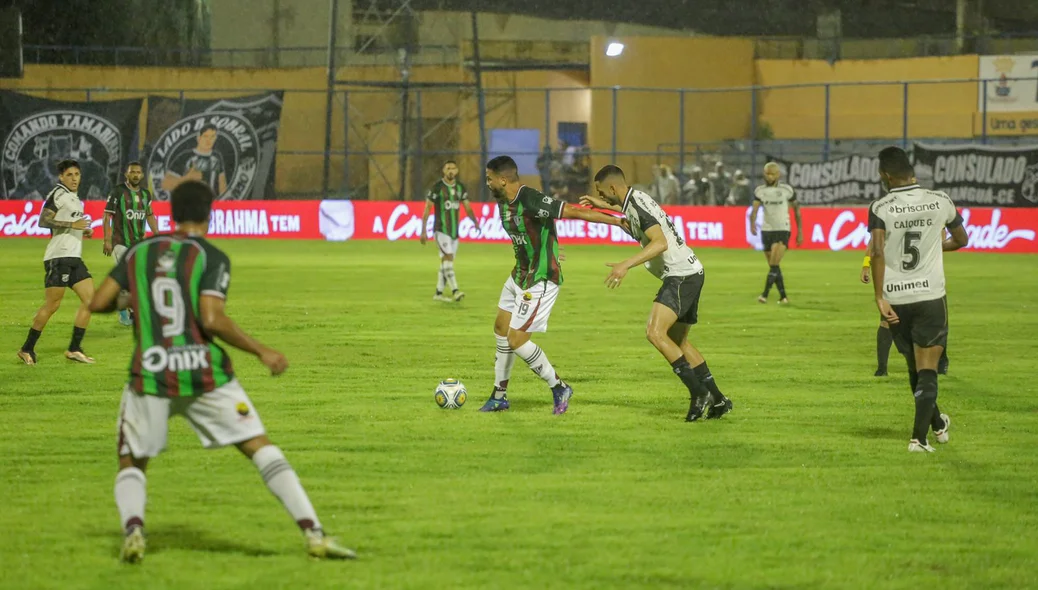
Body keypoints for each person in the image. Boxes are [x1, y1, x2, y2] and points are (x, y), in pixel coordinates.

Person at [87, 180, 356, 562]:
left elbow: (98, 303)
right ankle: (314, 533)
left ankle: (133, 529)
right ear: (208, 213)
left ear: (172, 212)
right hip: (205, 373)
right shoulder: (210, 256)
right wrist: (262, 351)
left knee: (132, 458)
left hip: (152, 373)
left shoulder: (139, 251)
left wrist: (133, 298)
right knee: (257, 446)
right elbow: (211, 319)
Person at [480, 155, 629, 415]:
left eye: (489, 178)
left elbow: (573, 211)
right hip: (519, 275)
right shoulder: (504, 203)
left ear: (503, 180)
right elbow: (526, 234)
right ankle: (499, 395)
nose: (487, 183)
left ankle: (559, 386)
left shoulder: (530, 198)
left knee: (517, 339)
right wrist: (549, 247)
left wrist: (616, 221)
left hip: (540, 279)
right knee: (500, 328)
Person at [582, 165, 733, 421]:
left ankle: (698, 393)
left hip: (680, 276)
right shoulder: (637, 198)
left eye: (602, 192)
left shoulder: (637, 206)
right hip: (691, 272)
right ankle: (718, 399)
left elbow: (660, 242)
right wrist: (603, 206)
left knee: (655, 333)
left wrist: (625, 265)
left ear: (612, 187)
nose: (602, 196)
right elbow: (628, 216)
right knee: (678, 342)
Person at [867, 147, 968, 453]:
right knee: (928, 368)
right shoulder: (941, 201)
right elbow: (962, 239)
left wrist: (879, 297)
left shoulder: (881, 206)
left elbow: (877, 252)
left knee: (915, 366)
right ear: (912, 171)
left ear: (885, 175)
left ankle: (936, 424)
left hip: (897, 297)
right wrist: (938, 249)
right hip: (930, 295)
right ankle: (918, 439)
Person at [17, 159, 96, 366]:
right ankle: (26, 348)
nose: (74, 179)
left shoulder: (74, 198)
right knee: (53, 305)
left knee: (91, 301)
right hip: (58, 257)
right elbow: (43, 220)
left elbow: (68, 225)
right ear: (61, 177)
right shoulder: (58, 194)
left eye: (77, 174)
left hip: (74, 257)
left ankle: (74, 348)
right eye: (69, 175)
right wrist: (72, 224)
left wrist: (82, 229)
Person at [861, 253, 950, 377]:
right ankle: (882, 369)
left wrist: (866, 266)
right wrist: (866, 265)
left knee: (931, 320)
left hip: (921, 275)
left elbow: (875, 244)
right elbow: (875, 245)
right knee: (888, 320)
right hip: (896, 276)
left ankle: (940, 360)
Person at [103, 161, 159, 326]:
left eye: (138, 172)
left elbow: (149, 215)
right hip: (120, 242)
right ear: (126, 174)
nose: (135, 175)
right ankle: (124, 312)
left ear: (141, 175)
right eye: (132, 172)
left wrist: (157, 235)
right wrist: (107, 240)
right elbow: (107, 216)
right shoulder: (118, 192)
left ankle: (132, 311)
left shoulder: (146, 194)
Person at [420, 160, 480, 302]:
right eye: (448, 168)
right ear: (444, 171)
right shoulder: (437, 187)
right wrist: (423, 231)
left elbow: (467, 207)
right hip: (441, 230)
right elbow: (427, 208)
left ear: (457, 170)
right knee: (447, 257)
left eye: (453, 168)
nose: (451, 171)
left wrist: (475, 222)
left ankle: (438, 293)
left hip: (454, 232)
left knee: (447, 261)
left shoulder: (460, 188)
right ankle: (455, 290)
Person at [750, 162, 803, 304]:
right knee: (774, 267)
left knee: (774, 264)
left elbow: (797, 211)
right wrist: (752, 224)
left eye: (772, 173)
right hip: (767, 230)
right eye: (767, 173)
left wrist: (800, 232)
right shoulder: (759, 191)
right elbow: (754, 210)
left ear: (778, 175)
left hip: (782, 229)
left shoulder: (787, 190)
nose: (769, 176)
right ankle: (783, 297)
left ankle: (764, 295)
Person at [162, 124, 228, 197]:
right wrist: (187, 178)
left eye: (212, 137)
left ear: (215, 138)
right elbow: (166, 185)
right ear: (199, 138)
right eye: (205, 136)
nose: (208, 140)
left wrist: (224, 204)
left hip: (212, 205)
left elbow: (222, 184)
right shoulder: (185, 156)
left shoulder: (216, 157)